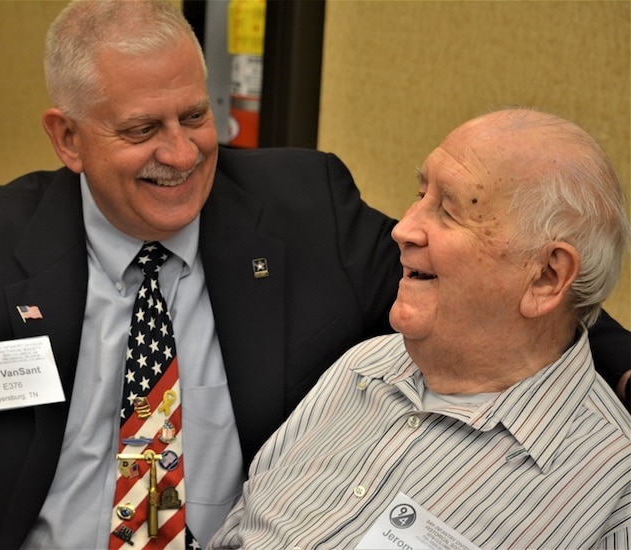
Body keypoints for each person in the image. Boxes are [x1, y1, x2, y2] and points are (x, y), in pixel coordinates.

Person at [0, 1, 631, 547]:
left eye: (195, 117)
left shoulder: (303, 207)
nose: (179, 154)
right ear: (67, 137)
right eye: (142, 129)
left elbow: (503, 300)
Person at [207, 108, 631, 550]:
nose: (403, 229)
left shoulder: (613, 491)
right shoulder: (364, 366)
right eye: (420, 193)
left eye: (448, 211)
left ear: (546, 277)